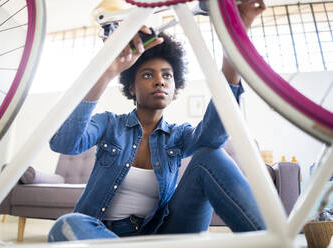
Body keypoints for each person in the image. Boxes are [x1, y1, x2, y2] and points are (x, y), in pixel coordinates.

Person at [48, 0, 266, 242]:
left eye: (167, 76)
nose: (160, 81)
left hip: (161, 234)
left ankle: (269, 240)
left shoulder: (179, 136)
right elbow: (64, 143)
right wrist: (107, 72)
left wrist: (235, 42)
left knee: (210, 154)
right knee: (68, 223)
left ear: (174, 89)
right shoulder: (109, 124)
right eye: (148, 74)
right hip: (100, 232)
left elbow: (214, 136)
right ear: (132, 86)